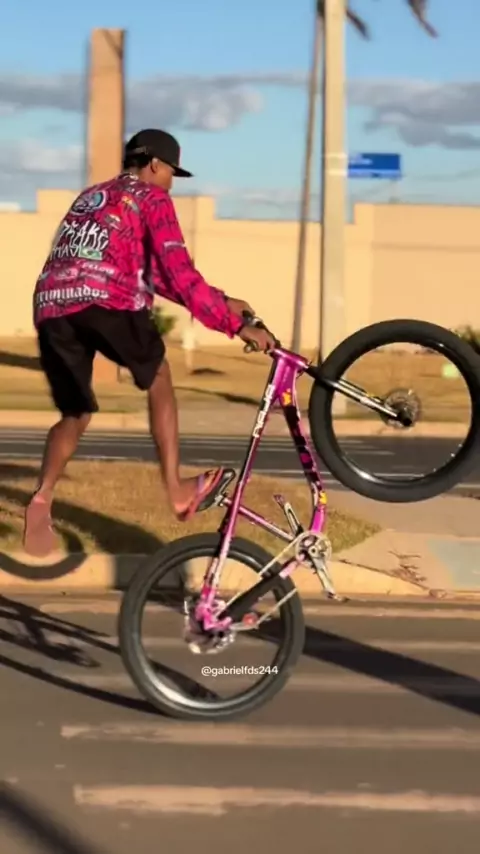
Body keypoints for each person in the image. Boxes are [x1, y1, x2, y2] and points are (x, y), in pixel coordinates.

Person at [25, 128, 275, 557]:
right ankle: (177, 491)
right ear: (156, 164)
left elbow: (151, 274)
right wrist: (237, 326)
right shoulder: (153, 198)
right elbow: (178, 272)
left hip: (52, 303)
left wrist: (222, 302)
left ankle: (42, 497)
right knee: (159, 376)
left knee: (76, 412)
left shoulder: (91, 197)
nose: (172, 182)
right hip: (106, 298)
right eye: (172, 172)